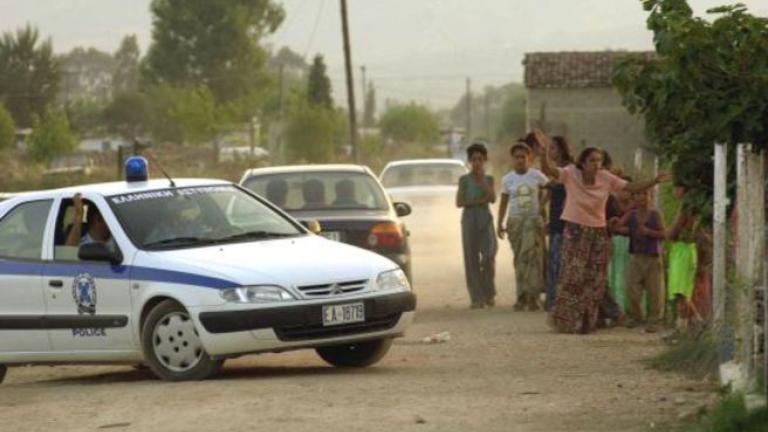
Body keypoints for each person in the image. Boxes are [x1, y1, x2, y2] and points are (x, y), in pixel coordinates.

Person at [535, 130, 669, 334]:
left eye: (599, 160)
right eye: (592, 160)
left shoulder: (606, 178)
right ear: (583, 162)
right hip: (576, 231)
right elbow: (548, 170)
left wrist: (654, 181)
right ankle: (568, 320)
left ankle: (589, 321)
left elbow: (631, 186)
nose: (597, 164)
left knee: (595, 278)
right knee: (573, 275)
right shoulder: (571, 174)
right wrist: (543, 151)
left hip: (598, 233)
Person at [497, 143, 549, 311]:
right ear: (513, 159)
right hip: (515, 223)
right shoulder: (507, 179)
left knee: (534, 260)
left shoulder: (537, 176)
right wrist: (499, 223)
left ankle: (533, 298)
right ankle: (521, 296)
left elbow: (550, 189)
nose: (520, 160)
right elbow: (504, 202)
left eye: (523, 157)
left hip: (533, 221)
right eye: (517, 157)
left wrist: (541, 206)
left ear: (529, 158)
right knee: (519, 260)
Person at [614, 190, 666, 333]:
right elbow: (618, 226)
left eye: (644, 196)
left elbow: (664, 234)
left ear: (650, 197)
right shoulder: (631, 214)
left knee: (655, 291)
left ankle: (654, 320)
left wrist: (648, 232)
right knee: (631, 288)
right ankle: (636, 316)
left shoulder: (655, 214)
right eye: (637, 196)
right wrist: (626, 229)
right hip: (636, 256)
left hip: (652, 257)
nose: (640, 199)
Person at [456, 142, 497, 309]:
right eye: (474, 159)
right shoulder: (464, 180)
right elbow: (459, 202)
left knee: (488, 256)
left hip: (485, 218)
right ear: (469, 161)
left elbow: (493, 198)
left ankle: (489, 292)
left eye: (480, 159)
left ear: (485, 160)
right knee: (471, 258)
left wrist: (483, 182)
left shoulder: (489, 179)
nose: (477, 163)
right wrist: (479, 200)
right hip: (469, 219)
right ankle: (476, 297)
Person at [543, 136, 573, 311]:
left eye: (552, 148)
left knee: (560, 264)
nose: (551, 152)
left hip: (566, 224)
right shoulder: (560, 170)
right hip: (556, 222)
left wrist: (542, 154)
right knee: (555, 263)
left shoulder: (568, 169)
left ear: (561, 150)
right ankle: (555, 302)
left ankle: (559, 303)